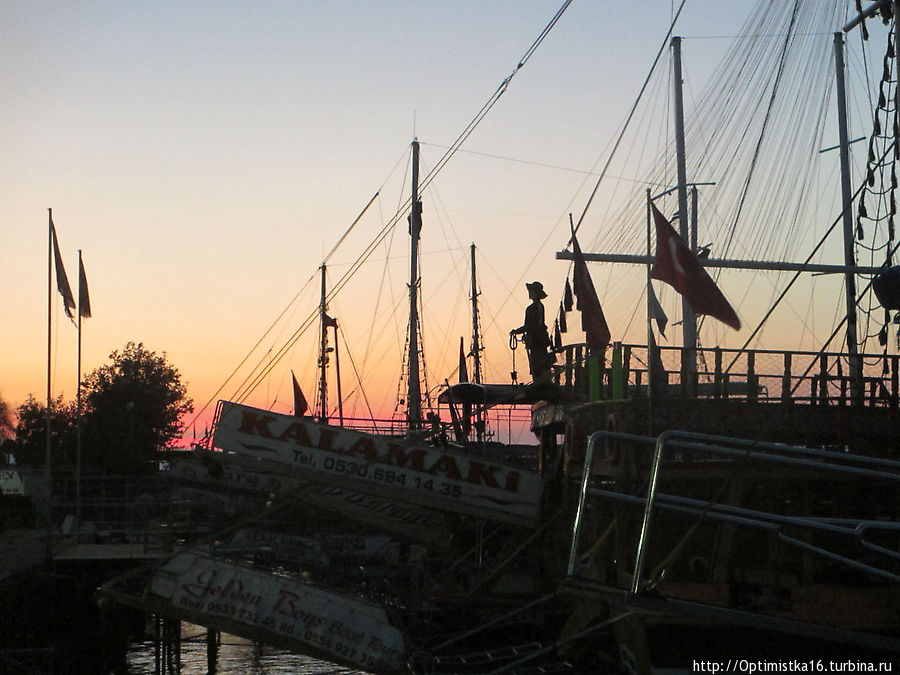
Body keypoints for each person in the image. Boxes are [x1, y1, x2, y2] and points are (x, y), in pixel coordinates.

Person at [510, 281, 553, 383]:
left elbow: (529, 326)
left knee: (537, 363)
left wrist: (517, 331)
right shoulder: (540, 306)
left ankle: (539, 383)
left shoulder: (532, 308)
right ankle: (542, 381)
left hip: (536, 340)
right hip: (541, 339)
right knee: (541, 362)